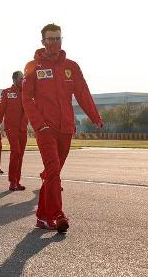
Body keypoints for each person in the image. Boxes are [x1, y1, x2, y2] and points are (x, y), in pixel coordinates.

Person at [22, 23, 103, 233]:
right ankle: (58, 215)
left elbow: (82, 93)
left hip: (66, 128)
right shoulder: (33, 67)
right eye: (50, 39)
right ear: (43, 42)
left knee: (52, 173)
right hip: (45, 129)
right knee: (53, 170)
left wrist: (94, 116)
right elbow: (27, 98)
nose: (54, 43)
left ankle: (41, 217)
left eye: (58, 38)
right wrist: (39, 125)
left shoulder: (71, 67)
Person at [0, 71, 28, 191]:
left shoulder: (27, 92)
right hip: (11, 128)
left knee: (21, 155)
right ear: (14, 79)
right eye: (20, 78)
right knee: (16, 152)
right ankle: (12, 182)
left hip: (23, 128)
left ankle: (17, 181)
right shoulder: (6, 92)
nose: (22, 80)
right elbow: (1, 111)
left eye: (23, 78)